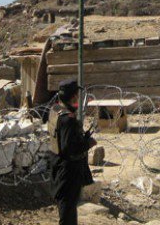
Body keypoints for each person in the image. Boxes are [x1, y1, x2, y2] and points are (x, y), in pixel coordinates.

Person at [48, 79, 96, 225]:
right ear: (73, 97)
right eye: (76, 95)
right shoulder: (68, 119)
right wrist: (88, 143)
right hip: (68, 171)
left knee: (68, 208)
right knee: (67, 209)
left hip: (58, 164)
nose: (78, 99)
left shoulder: (56, 110)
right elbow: (69, 148)